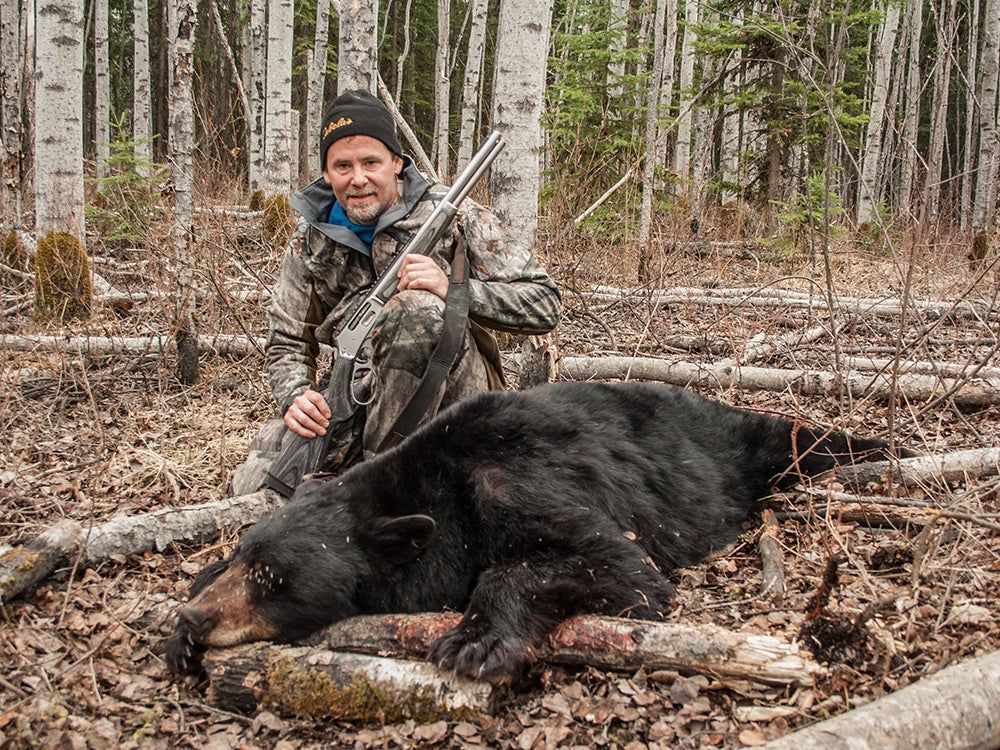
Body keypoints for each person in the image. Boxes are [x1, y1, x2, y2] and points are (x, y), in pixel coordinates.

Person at [230, 89, 562, 495]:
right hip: (361, 397)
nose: (358, 179)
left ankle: (385, 491)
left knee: (417, 310)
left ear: (396, 163)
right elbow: (287, 340)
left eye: (371, 162)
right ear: (327, 174)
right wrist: (296, 395)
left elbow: (545, 302)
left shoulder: (455, 216)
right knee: (258, 483)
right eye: (343, 166)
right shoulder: (312, 237)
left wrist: (457, 292)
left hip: (456, 407)